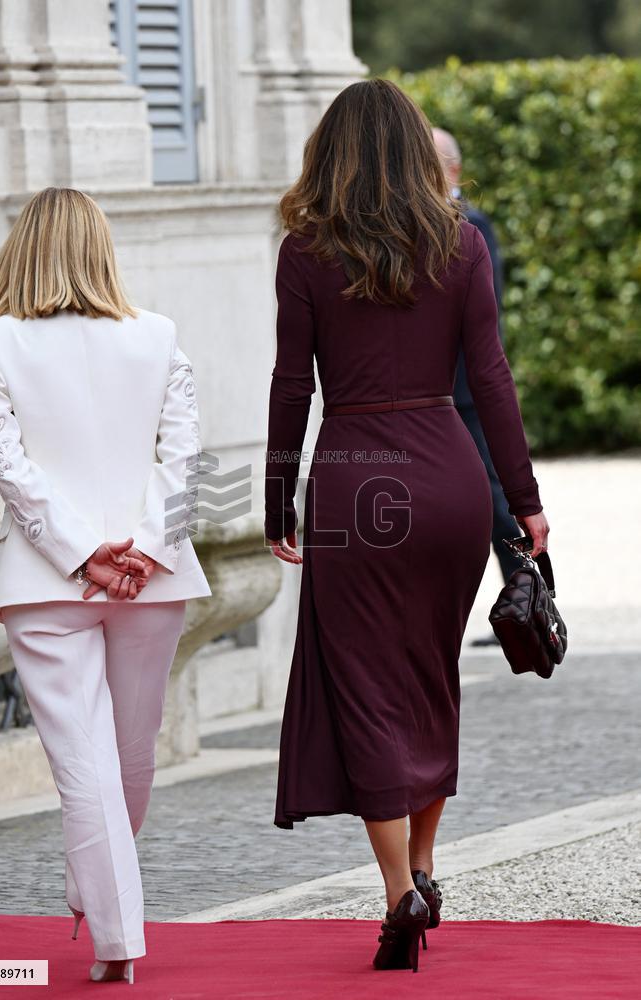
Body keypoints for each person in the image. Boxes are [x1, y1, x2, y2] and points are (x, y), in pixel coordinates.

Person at [264, 80, 549, 974]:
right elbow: (492, 381)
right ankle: (425, 867)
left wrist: (277, 498)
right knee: (429, 680)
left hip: (355, 481)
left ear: (334, 153)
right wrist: (525, 502)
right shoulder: (461, 245)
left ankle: (400, 893)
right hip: (450, 478)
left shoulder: (305, 253)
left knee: (364, 687)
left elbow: (290, 387)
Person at [0, 187, 211, 984]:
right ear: (102, 247)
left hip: (47, 580)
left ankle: (101, 903)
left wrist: (81, 555)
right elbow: (185, 459)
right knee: (126, 758)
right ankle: (116, 931)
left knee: (93, 763)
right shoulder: (157, 336)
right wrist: (138, 549)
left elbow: (13, 470)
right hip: (150, 577)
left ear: (22, 250)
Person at [432, 127, 523, 644]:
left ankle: (525, 591)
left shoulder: (473, 225)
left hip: (467, 388)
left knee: (495, 494)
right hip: (442, 392)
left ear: (453, 171)